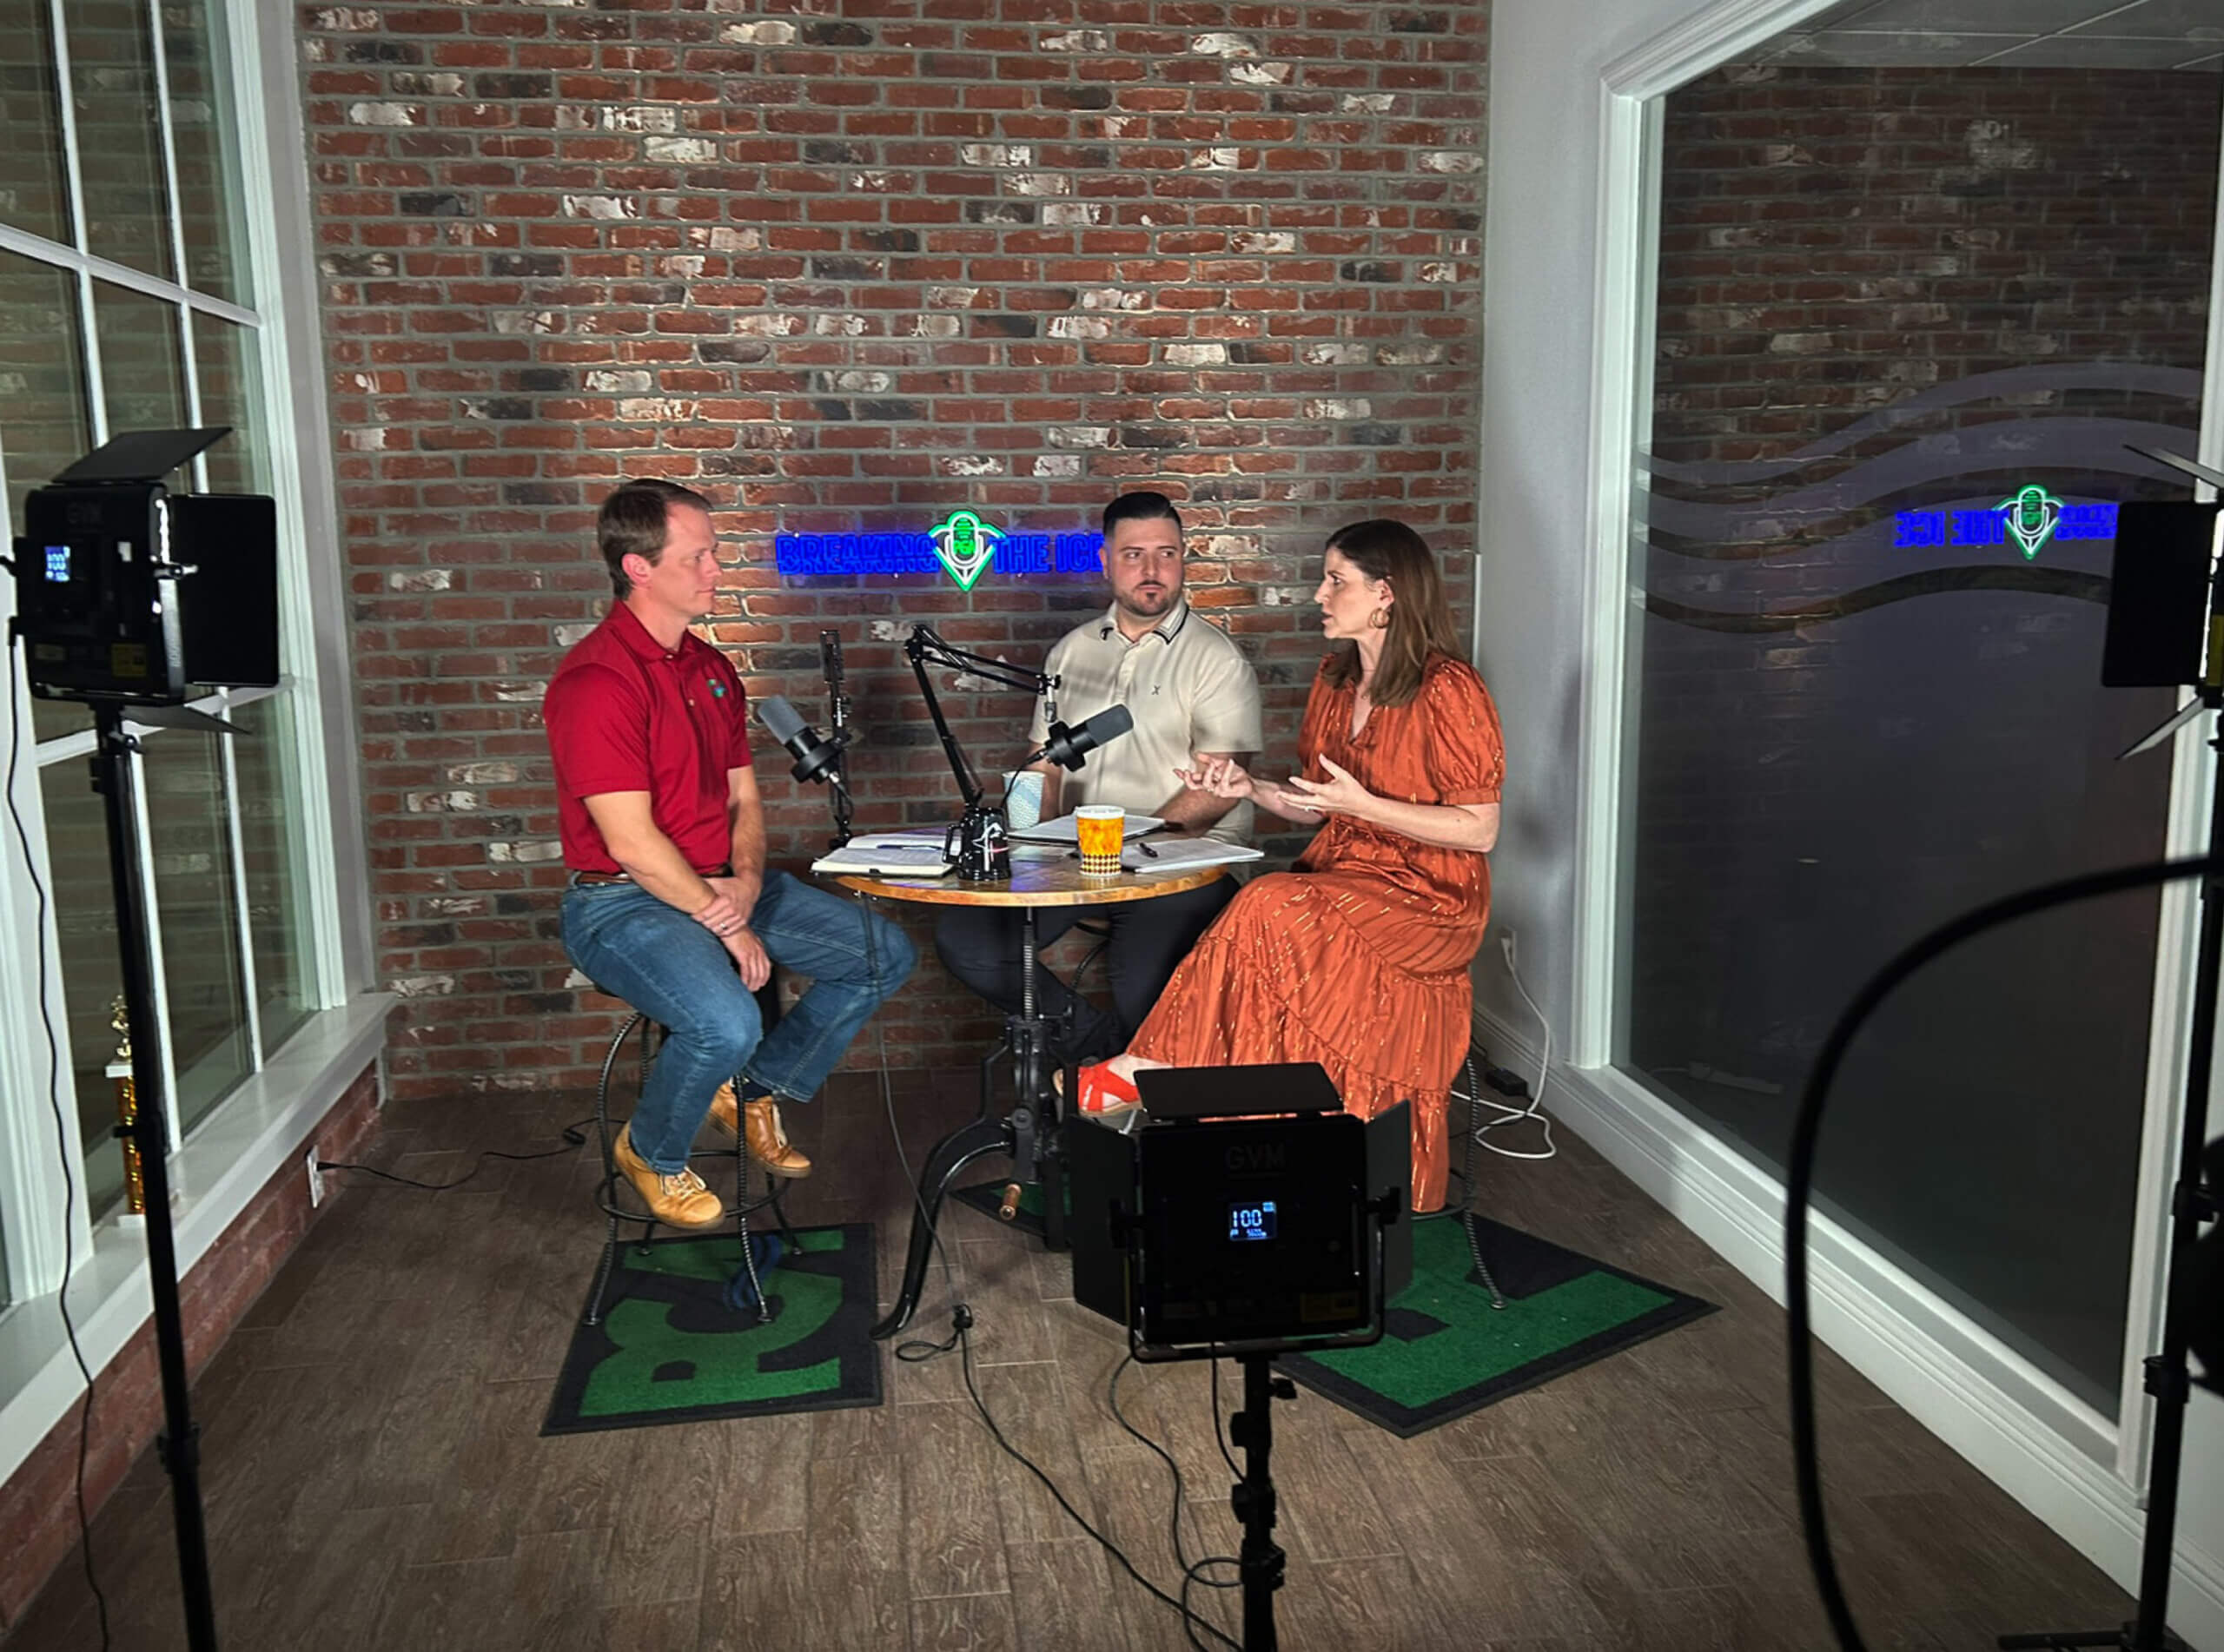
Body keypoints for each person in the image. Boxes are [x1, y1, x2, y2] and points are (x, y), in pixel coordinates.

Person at [1069, 519, 1505, 1213]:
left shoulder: (1449, 688)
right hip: (1346, 875)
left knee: (1272, 899)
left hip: (1430, 897)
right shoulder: (1335, 681)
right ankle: (1246, 1140)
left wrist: (1370, 806)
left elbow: (1479, 830)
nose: (1319, 594)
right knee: (1276, 906)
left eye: (1337, 580)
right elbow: (1317, 806)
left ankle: (1148, 1067)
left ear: (1386, 594)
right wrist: (1250, 789)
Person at [546, 479, 916, 1227]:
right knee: (728, 1023)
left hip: (721, 887)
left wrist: (746, 882)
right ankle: (652, 1152)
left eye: (714, 552)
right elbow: (631, 843)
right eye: (701, 555)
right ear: (639, 568)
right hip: (621, 902)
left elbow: (745, 799)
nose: (718, 568)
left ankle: (747, 1093)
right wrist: (727, 919)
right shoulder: (596, 682)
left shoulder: (712, 670)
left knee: (883, 952)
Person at [932, 490, 1264, 1060]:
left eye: (1167, 553)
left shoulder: (1218, 660)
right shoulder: (1069, 653)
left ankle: (1148, 1112)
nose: (1153, 570)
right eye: (1134, 555)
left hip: (1180, 870)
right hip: (1077, 862)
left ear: (1184, 558)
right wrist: (1029, 843)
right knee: (969, 941)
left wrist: (1131, 848)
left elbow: (1216, 790)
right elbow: (1045, 764)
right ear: (1106, 560)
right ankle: (1095, 1045)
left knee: (1145, 995)